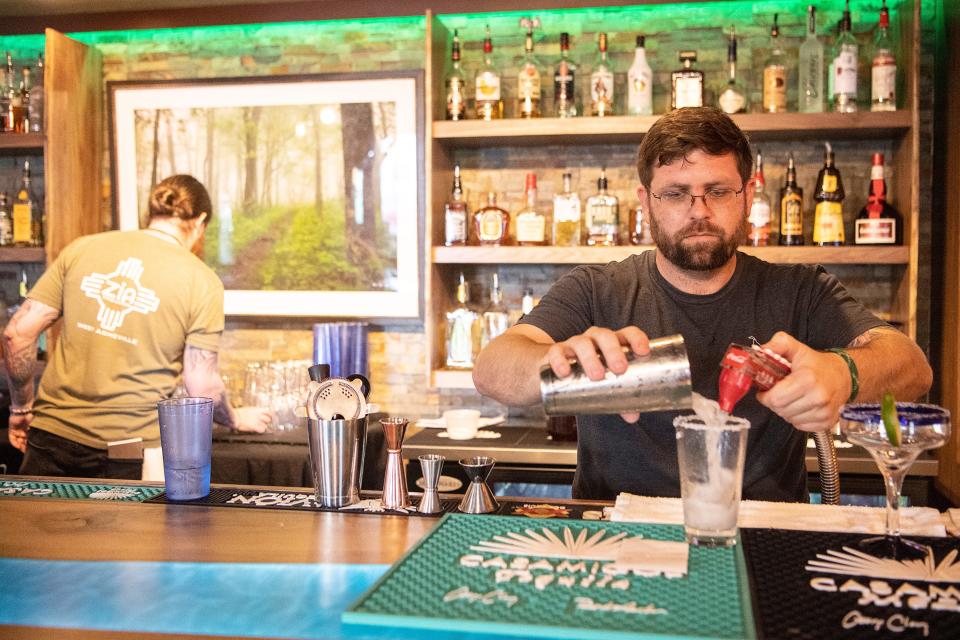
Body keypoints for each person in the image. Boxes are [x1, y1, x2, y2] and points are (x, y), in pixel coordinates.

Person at [473, 107, 932, 503]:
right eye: (675, 193)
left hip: (761, 535)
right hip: (615, 535)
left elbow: (912, 368)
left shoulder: (799, 290)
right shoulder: (598, 289)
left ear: (749, 198)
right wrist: (560, 360)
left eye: (718, 190)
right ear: (646, 203)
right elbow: (493, 369)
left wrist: (843, 375)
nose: (698, 211)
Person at [3, 174, 272, 479]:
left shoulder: (82, 249)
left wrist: (21, 408)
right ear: (200, 222)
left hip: (50, 439)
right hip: (130, 450)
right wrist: (234, 418)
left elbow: (18, 334)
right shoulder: (202, 281)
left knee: (36, 527)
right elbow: (201, 385)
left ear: (151, 214)